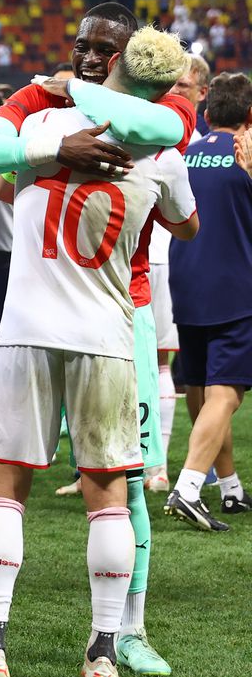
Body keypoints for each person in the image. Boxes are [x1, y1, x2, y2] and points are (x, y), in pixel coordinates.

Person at [0, 3, 197, 677]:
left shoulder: (38, 121)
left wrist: (56, 122)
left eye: (100, 50)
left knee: (11, 487)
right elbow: (185, 222)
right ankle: (99, 649)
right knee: (106, 491)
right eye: (81, 46)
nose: (84, 56)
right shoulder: (157, 150)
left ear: (124, 58)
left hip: (30, 331)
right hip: (105, 332)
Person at [165, 72, 252, 530]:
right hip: (234, 287)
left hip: (186, 282)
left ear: (207, 112)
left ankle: (231, 488)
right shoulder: (248, 156)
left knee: (200, 388)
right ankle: (190, 487)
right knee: (226, 394)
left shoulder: (186, 153)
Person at [146, 54, 211, 491]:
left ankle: (158, 466)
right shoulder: (152, 132)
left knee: (161, 363)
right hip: (131, 255)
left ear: (203, 93)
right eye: (170, 88)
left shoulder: (206, 146)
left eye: (185, 88)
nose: (175, 96)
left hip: (169, 258)